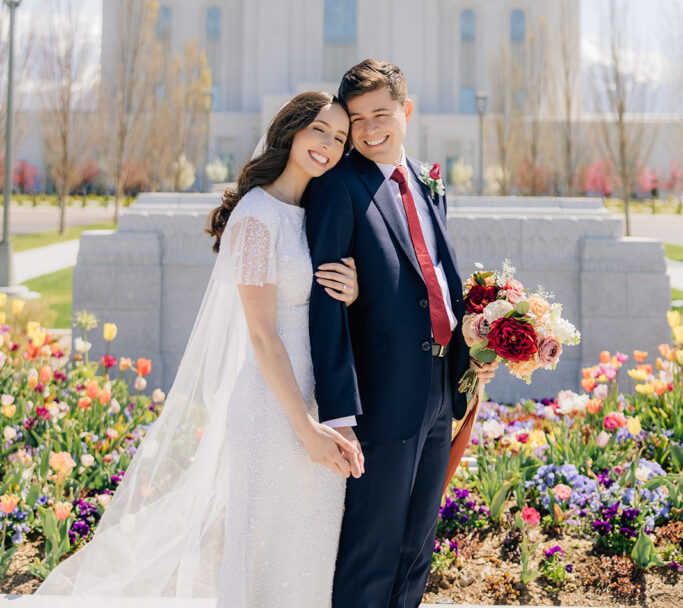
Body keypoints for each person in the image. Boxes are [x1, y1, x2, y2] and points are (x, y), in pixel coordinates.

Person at [37, 91, 361, 607]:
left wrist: (351, 289)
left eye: (339, 138)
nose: (328, 145)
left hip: (316, 400)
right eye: (319, 130)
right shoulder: (257, 218)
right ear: (292, 130)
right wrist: (306, 427)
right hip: (277, 410)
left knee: (307, 550)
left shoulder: (308, 213)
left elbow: (315, 301)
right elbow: (261, 335)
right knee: (262, 556)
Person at [306, 60, 499, 608]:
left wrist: (473, 352)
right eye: (357, 118)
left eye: (381, 114)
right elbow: (326, 307)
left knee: (417, 546)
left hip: (441, 389)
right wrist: (339, 413)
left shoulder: (428, 182)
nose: (369, 130)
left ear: (406, 112)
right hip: (380, 398)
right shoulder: (338, 186)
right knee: (372, 548)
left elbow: (435, 276)